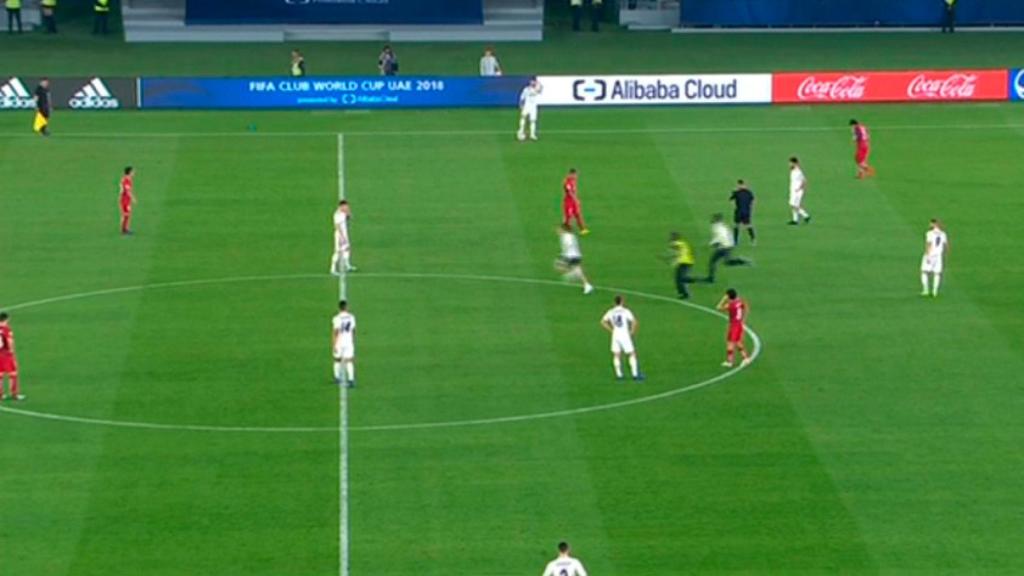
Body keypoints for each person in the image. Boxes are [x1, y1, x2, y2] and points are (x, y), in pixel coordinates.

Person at [601, 295, 643, 381]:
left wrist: (611, 330)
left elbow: (603, 322)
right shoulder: (625, 311)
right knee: (631, 353)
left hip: (616, 334)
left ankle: (619, 375)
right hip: (624, 334)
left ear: (614, 302)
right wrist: (632, 332)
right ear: (622, 301)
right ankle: (635, 375)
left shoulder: (611, 311)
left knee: (616, 354)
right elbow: (634, 322)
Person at [707, 214, 751, 283]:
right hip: (728, 246)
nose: (712, 220)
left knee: (713, 262)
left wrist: (713, 243)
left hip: (723, 247)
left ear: (716, 220)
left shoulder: (716, 227)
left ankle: (711, 278)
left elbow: (719, 237)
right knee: (727, 262)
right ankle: (741, 261)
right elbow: (728, 235)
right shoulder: (723, 226)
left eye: (713, 219)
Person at [717, 289, 751, 368]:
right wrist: (744, 319)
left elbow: (718, 307)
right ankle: (745, 358)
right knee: (737, 341)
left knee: (731, 342)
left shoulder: (730, 305)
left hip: (734, 325)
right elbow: (746, 307)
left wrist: (723, 299)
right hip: (738, 323)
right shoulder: (739, 301)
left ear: (728, 296)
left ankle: (730, 361)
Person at [556, 225, 594, 295]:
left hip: (570, 256)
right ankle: (587, 285)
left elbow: (568, 245)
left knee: (558, 266)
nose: (557, 231)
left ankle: (572, 274)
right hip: (576, 255)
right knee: (578, 270)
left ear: (563, 229)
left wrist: (563, 255)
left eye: (559, 229)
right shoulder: (570, 235)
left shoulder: (566, 236)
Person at [920, 219, 949, 297]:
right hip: (939, 256)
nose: (930, 225)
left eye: (931, 224)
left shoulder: (929, 233)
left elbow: (928, 244)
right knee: (937, 273)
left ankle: (926, 290)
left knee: (924, 272)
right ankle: (935, 291)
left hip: (931, 254)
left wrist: (927, 255)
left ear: (934, 224)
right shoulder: (943, 234)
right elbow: (946, 246)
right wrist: (944, 254)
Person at [332, 300, 357, 388]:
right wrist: (353, 341)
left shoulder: (336, 318)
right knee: (349, 361)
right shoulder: (352, 317)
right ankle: (351, 380)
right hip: (348, 341)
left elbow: (335, 332)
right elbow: (353, 331)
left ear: (339, 308)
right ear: (346, 307)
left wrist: (334, 344)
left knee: (337, 359)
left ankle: (337, 378)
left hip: (339, 342)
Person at [0, 312, 23, 401]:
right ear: (6, 319)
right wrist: (11, 351)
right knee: (13, 373)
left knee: (0, 374)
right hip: (6, 354)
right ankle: (14, 394)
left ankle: (0, 395)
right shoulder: (7, 329)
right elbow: (9, 341)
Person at [667, 232, 696, 300]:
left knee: (680, 279)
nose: (669, 238)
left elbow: (678, 254)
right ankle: (683, 293)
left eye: (671, 237)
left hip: (685, 263)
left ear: (674, 238)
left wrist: (672, 262)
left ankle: (686, 293)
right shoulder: (682, 243)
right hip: (687, 262)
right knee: (679, 279)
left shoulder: (675, 244)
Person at [331, 200, 356, 274]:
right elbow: (337, 226)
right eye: (345, 206)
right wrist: (342, 237)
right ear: (341, 206)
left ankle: (347, 265)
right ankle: (333, 269)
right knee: (337, 251)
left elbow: (350, 217)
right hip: (340, 236)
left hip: (344, 234)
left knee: (347, 249)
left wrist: (348, 212)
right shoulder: (337, 214)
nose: (347, 207)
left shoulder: (344, 213)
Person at [561, 168, 588, 234]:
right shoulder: (567, 182)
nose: (576, 176)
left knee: (577, 214)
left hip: (573, 201)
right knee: (569, 217)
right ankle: (565, 229)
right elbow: (570, 193)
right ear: (571, 174)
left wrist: (576, 199)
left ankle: (583, 230)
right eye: (575, 175)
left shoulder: (573, 180)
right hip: (568, 202)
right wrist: (576, 200)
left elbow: (574, 191)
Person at [729, 179, 756, 246]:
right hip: (746, 211)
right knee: (746, 225)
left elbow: (731, 200)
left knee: (738, 226)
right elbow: (753, 201)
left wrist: (735, 206)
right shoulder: (748, 192)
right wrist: (750, 209)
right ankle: (753, 240)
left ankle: (735, 242)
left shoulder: (737, 192)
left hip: (739, 211)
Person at [517, 77, 542, 142]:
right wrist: (521, 104)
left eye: (534, 81)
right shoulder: (526, 89)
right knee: (523, 117)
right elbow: (522, 97)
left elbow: (540, 91)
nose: (532, 82)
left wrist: (538, 85)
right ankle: (521, 131)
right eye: (531, 81)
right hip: (527, 106)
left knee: (533, 121)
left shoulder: (537, 88)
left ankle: (532, 135)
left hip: (533, 107)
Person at [787, 156, 811, 225]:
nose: (789, 164)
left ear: (794, 163)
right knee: (793, 205)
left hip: (797, 191)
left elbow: (804, 181)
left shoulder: (798, 172)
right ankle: (795, 220)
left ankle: (806, 216)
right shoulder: (792, 171)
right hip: (793, 190)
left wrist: (799, 189)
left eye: (791, 163)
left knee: (795, 205)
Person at [119, 166, 136, 235]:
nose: (134, 173)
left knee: (127, 214)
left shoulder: (127, 179)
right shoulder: (126, 180)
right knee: (126, 214)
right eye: (133, 171)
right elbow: (127, 191)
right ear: (129, 172)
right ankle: (124, 230)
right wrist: (133, 198)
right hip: (124, 200)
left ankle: (125, 228)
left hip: (126, 199)